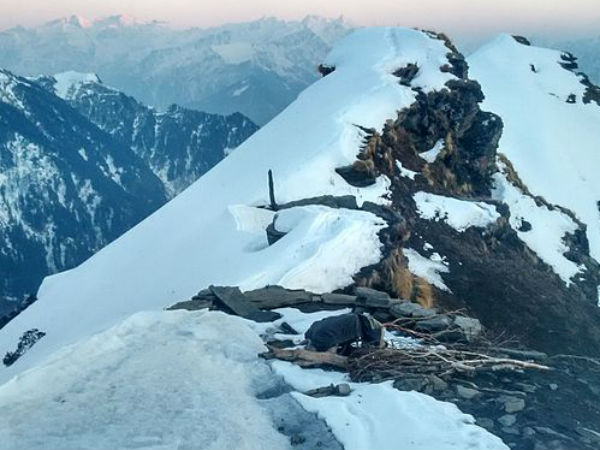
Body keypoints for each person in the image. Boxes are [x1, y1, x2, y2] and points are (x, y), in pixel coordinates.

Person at [305, 312, 385, 355]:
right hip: (356, 318)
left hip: (366, 326)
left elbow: (331, 354)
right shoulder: (310, 332)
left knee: (375, 351)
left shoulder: (323, 340)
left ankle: (384, 347)